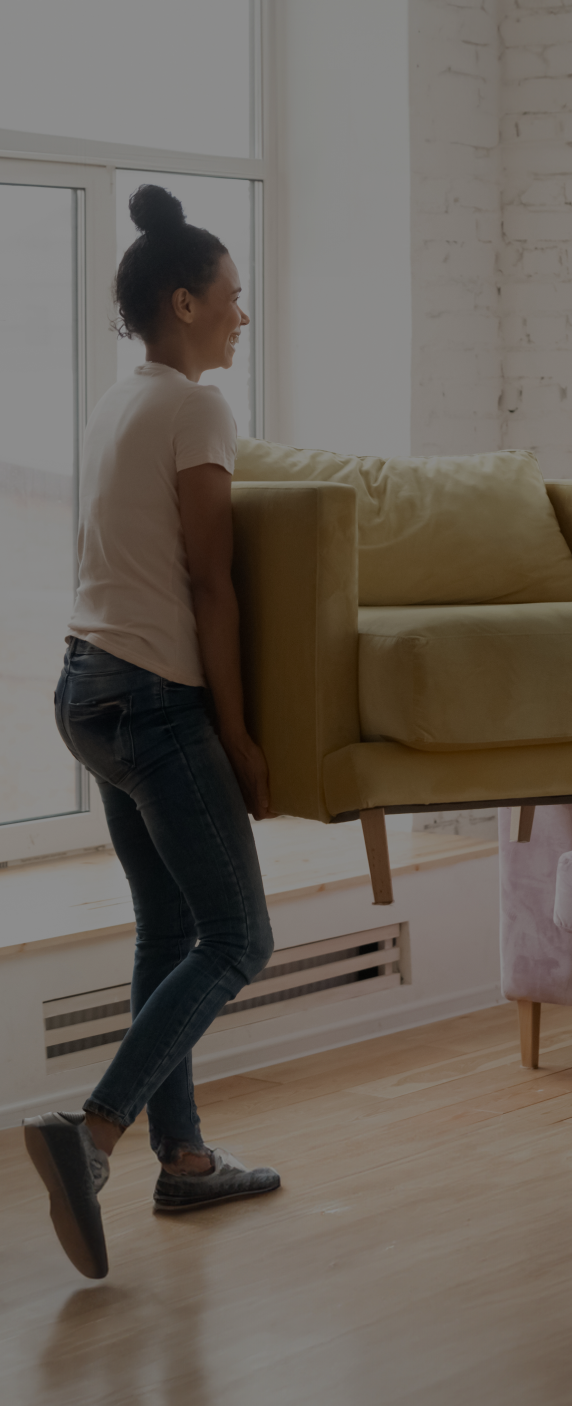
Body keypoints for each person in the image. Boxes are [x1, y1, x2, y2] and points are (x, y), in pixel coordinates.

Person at [23, 185, 280, 1280]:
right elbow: (212, 586)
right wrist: (241, 733)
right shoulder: (196, 408)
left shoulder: (117, 399)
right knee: (239, 940)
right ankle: (93, 1134)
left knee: (167, 933)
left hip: (84, 691)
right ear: (184, 301)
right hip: (157, 702)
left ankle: (184, 1157)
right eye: (232, 297)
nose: (242, 315)